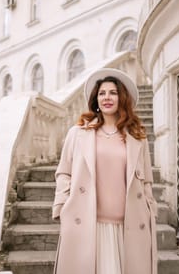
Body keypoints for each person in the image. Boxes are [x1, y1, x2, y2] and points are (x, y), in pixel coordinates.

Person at [52, 68, 158, 274]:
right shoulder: (78, 133)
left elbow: (146, 181)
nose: (107, 97)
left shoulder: (137, 136)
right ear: (96, 100)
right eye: (102, 93)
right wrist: (62, 206)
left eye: (113, 92)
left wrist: (150, 210)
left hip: (127, 227)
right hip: (87, 224)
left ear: (122, 98)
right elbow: (64, 172)